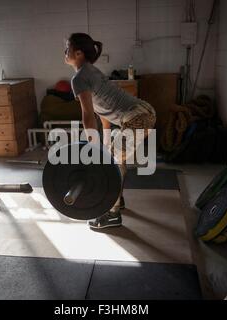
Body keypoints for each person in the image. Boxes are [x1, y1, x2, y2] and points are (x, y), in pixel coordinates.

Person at [64, 33, 156, 230]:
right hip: (144, 112)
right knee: (114, 158)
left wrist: (92, 147)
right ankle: (118, 200)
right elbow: (101, 111)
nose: (65, 52)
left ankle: (112, 214)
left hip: (137, 118)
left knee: (109, 165)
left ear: (78, 53)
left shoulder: (79, 78)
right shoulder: (91, 71)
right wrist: (103, 143)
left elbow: (87, 115)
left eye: (67, 48)